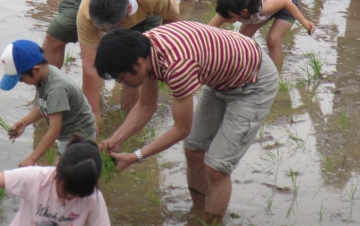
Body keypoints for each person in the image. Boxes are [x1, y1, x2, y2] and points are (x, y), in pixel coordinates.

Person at [95, 24, 279, 224]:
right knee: (193, 150)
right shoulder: (143, 48)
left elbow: (182, 129)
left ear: (138, 64)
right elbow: (146, 106)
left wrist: (135, 156)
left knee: (217, 169)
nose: (122, 84)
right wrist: (115, 139)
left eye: (122, 78)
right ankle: (199, 214)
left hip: (253, 82)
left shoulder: (177, 65)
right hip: (222, 79)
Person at [42, 0, 180, 122]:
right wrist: (93, 116)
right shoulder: (87, 11)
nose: (109, 34)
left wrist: (157, 57)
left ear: (129, 11)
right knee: (54, 37)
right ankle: (44, 104)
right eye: (104, 30)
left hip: (143, 5)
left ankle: (130, 115)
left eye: (113, 29)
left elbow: (172, 28)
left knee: (135, 62)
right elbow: (89, 66)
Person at [0, 40, 96, 166]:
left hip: (79, 136)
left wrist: (32, 159)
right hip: (69, 132)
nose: (21, 82)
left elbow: (54, 131)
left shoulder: (56, 88)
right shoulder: (45, 76)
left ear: (36, 70)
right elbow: (45, 105)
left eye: (22, 79)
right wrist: (25, 122)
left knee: (59, 176)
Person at [209, 0, 316, 66]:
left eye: (227, 17)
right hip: (268, 4)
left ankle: (276, 74)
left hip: (288, 3)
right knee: (241, 38)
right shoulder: (227, 11)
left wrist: (303, 21)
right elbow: (207, 31)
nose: (223, 18)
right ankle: (240, 65)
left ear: (244, 12)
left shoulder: (262, 9)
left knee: (273, 40)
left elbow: (285, 2)